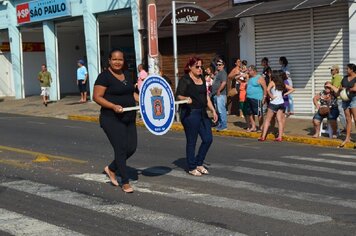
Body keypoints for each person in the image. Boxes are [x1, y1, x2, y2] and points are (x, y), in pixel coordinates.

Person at [93, 48, 139, 193]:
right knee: (120, 148)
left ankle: (111, 169)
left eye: (120, 59)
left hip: (129, 117)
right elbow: (97, 97)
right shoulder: (104, 77)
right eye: (115, 59)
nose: (117, 62)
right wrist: (113, 106)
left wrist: (145, 101)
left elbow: (132, 94)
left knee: (131, 148)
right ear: (109, 60)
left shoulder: (127, 74)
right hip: (111, 118)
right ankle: (124, 181)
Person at [176, 56, 218, 176]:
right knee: (192, 141)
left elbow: (206, 97)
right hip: (189, 113)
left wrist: (213, 111)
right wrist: (186, 98)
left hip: (202, 112)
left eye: (201, 66)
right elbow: (178, 95)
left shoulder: (202, 79)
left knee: (208, 139)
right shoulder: (185, 80)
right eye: (197, 66)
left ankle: (199, 163)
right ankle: (192, 166)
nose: (200, 69)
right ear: (190, 67)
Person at [258, 71, 294, 142]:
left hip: (273, 103)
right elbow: (292, 89)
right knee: (279, 120)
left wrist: (271, 96)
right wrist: (285, 94)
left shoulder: (272, 82)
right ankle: (280, 137)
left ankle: (263, 136)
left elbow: (267, 90)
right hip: (281, 103)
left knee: (267, 120)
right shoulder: (282, 83)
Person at [245, 65, 267, 132]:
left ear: (254, 71)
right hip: (249, 98)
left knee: (259, 113)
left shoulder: (259, 78)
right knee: (250, 113)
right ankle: (253, 126)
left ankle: (260, 127)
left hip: (257, 99)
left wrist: (264, 98)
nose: (248, 72)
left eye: (249, 70)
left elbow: (265, 89)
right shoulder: (250, 78)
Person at [338, 63, 356, 148]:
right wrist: (340, 89)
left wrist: (346, 88)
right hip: (345, 100)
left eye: (347, 69)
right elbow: (340, 87)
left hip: (353, 99)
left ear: (352, 70)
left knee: (355, 119)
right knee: (348, 119)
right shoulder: (344, 78)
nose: (346, 70)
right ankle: (347, 138)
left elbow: (355, 89)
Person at [211, 58, 228, 131]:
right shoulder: (218, 73)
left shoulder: (223, 73)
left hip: (220, 94)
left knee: (221, 110)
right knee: (217, 110)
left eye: (220, 65)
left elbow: (224, 82)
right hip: (215, 94)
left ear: (223, 65)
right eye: (217, 65)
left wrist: (218, 90)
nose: (218, 66)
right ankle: (220, 124)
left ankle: (224, 125)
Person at [330, 64, 346, 131]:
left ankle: (346, 127)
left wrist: (330, 86)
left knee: (341, 113)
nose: (331, 71)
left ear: (336, 70)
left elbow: (335, 88)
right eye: (330, 70)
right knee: (337, 112)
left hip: (339, 98)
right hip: (335, 98)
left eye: (332, 70)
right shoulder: (333, 77)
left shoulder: (337, 77)